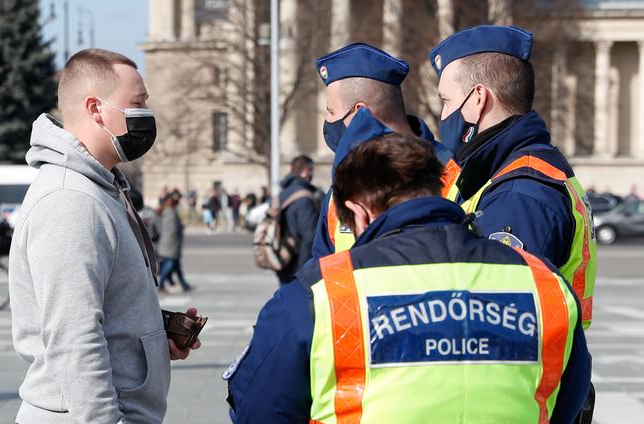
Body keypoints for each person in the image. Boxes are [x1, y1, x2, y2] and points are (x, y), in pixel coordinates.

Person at [225, 133, 591, 424]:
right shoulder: (544, 284)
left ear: (358, 211)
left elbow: (257, 408)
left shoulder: (321, 293)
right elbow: (565, 402)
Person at [8, 48, 200, 424]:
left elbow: (99, 299)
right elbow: (72, 337)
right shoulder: (70, 200)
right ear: (96, 109)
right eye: (138, 102)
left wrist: (154, 332)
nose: (146, 113)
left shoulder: (101, 189)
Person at [430, 25, 596, 329]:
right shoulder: (514, 172)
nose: (442, 116)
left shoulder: (518, 196)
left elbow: (494, 325)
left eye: (446, 101)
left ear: (478, 97)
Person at [311, 42, 449, 259]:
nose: (328, 121)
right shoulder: (343, 182)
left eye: (331, 111)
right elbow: (320, 266)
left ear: (359, 113)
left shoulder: (454, 172)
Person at [276, 155, 320, 285]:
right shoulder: (304, 197)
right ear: (306, 171)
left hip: (283, 258)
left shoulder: (282, 194)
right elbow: (310, 236)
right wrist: (306, 271)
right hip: (298, 266)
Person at [157, 191, 193, 293]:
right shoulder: (170, 211)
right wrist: (181, 227)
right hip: (170, 244)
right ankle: (161, 285)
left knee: (177, 266)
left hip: (170, 244)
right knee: (168, 265)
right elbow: (172, 229)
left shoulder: (169, 210)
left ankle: (184, 285)